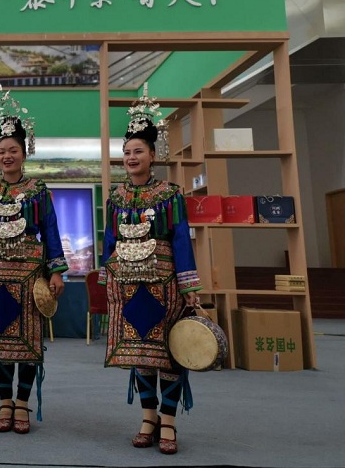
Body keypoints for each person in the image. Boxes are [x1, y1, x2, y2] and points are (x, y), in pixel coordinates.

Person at [99, 86, 202, 455]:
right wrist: (107, 276)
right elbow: (110, 240)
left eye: (137, 151)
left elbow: (180, 242)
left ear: (153, 155)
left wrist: (189, 285)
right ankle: (148, 416)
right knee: (139, 351)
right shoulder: (116, 198)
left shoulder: (171, 195)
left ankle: (170, 419)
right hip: (128, 286)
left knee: (169, 351)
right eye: (126, 152)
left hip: (165, 285)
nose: (130, 157)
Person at [0, 87, 67, 435]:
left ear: (24, 154)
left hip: (29, 278)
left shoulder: (38, 191)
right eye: (1, 151)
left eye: (13, 151)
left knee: (28, 341)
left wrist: (56, 271)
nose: (6, 156)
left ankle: (23, 401)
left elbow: (50, 231)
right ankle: (4, 401)